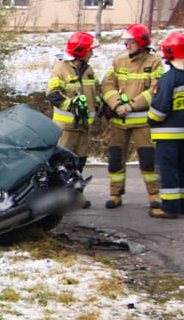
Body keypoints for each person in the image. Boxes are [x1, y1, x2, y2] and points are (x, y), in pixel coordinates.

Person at [100, 23, 165, 209]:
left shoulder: (154, 62)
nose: (127, 46)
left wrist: (131, 106)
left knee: (147, 158)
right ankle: (115, 194)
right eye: (125, 42)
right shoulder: (119, 61)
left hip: (141, 121)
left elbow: (155, 89)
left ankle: (153, 195)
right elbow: (107, 85)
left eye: (130, 42)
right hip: (118, 120)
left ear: (142, 43)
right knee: (115, 157)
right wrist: (116, 105)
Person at [45, 31, 101, 208]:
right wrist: (72, 105)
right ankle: (59, 200)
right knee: (63, 165)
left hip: (83, 128)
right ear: (81, 51)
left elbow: (95, 93)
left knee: (79, 164)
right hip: (67, 128)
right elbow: (52, 95)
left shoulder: (88, 70)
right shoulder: (61, 69)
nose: (92, 53)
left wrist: (101, 106)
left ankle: (76, 197)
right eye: (90, 50)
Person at [147, 32, 184, 219]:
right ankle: (183, 204)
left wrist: (150, 120)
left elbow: (160, 109)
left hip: (167, 134)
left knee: (167, 169)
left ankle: (169, 207)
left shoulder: (169, 78)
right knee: (182, 167)